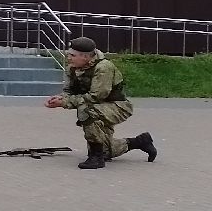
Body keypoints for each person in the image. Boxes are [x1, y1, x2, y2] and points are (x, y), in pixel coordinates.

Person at [45, 36, 156, 169]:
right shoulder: (72, 68)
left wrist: (65, 103)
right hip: (98, 106)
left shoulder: (103, 67)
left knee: (87, 111)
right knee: (106, 151)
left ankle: (96, 158)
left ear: (86, 57)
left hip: (118, 106)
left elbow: (96, 96)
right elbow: (69, 91)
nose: (68, 57)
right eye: (68, 54)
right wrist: (60, 98)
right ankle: (140, 142)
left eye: (72, 55)